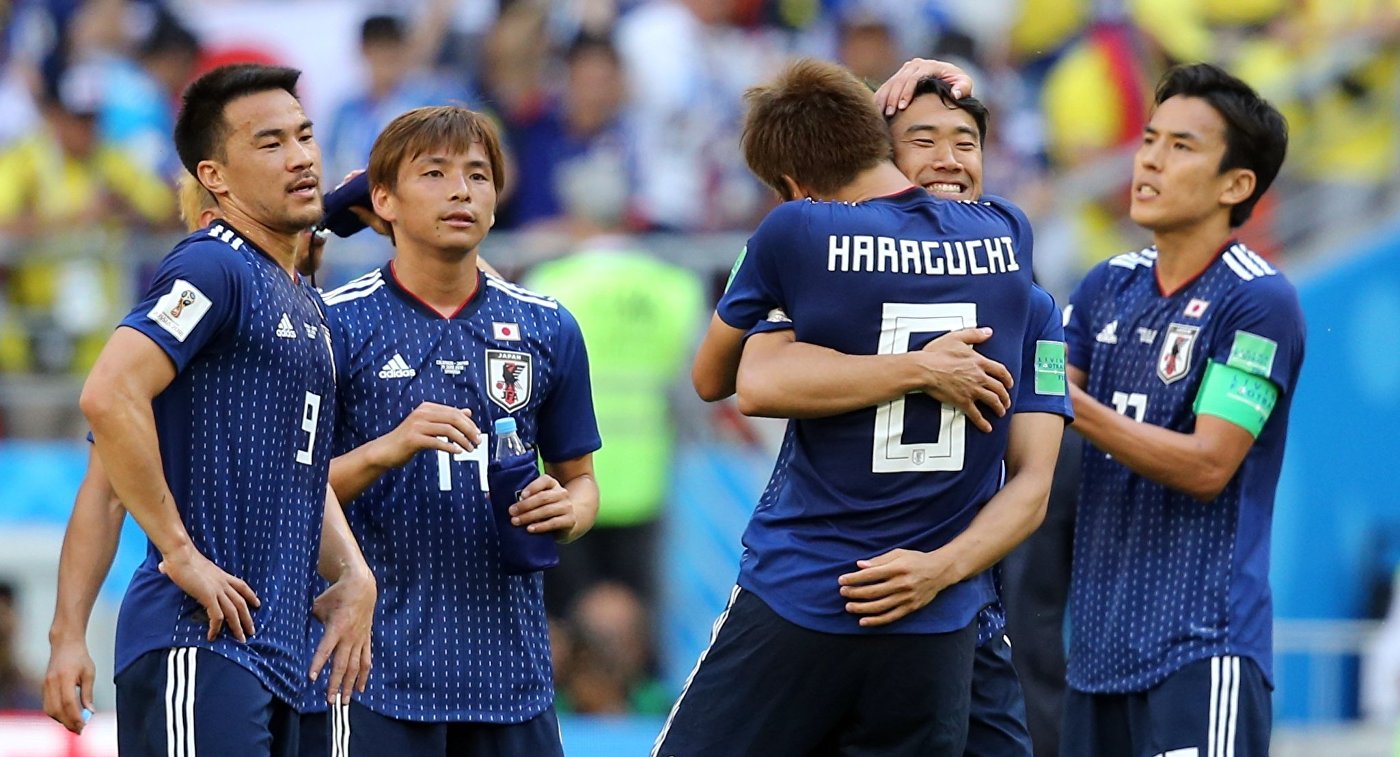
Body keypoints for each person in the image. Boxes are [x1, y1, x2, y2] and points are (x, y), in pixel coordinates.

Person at [653, 58, 1045, 756]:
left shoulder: (797, 235)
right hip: (932, 618)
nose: (949, 158)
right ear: (881, 139)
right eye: (924, 139)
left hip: (805, 587)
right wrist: (923, 367)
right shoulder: (1008, 238)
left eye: (963, 140)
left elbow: (725, 379)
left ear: (795, 188)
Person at [75, 63, 376, 757]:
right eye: (270, 143)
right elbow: (107, 393)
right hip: (200, 637)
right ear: (215, 175)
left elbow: (298, 471)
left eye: (304, 135)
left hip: (281, 649)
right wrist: (179, 553)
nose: (301, 155)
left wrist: (354, 572)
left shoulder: (299, 298)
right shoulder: (213, 267)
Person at [317, 104, 600, 755]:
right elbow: (290, 493)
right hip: (374, 677)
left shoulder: (547, 327)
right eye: (436, 173)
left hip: (514, 680)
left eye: (477, 176)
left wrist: (569, 509)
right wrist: (388, 449)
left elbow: (581, 482)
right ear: (382, 199)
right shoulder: (335, 326)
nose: (460, 191)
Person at [1060, 63, 1300, 757]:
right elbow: (1037, 419)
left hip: (1204, 652)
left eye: (1182, 146)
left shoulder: (1259, 301)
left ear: (1236, 185)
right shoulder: (1107, 284)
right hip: (1096, 659)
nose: (1151, 160)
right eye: (1148, 139)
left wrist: (1073, 404)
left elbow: (1209, 464)